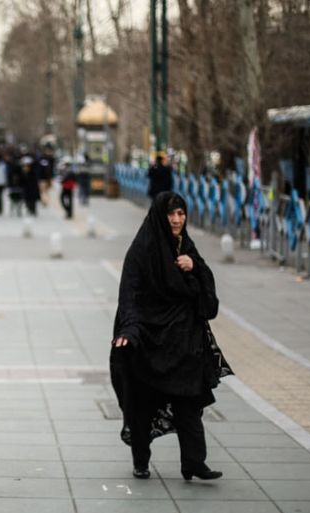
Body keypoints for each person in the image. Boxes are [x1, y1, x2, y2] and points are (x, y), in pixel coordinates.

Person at [111, 191, 224, 481]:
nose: (176, 220)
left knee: (189, 401)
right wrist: (129, 329)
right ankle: (141, 460)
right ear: (160, 217)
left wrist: (195, 266)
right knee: (143, 403)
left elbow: (208, 297)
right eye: (171, 214)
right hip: (149, 338)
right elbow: (129, 292)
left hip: (184, 338)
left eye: (181, 213)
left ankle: (194, 462)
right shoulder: (143, 248)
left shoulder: (186, 245)